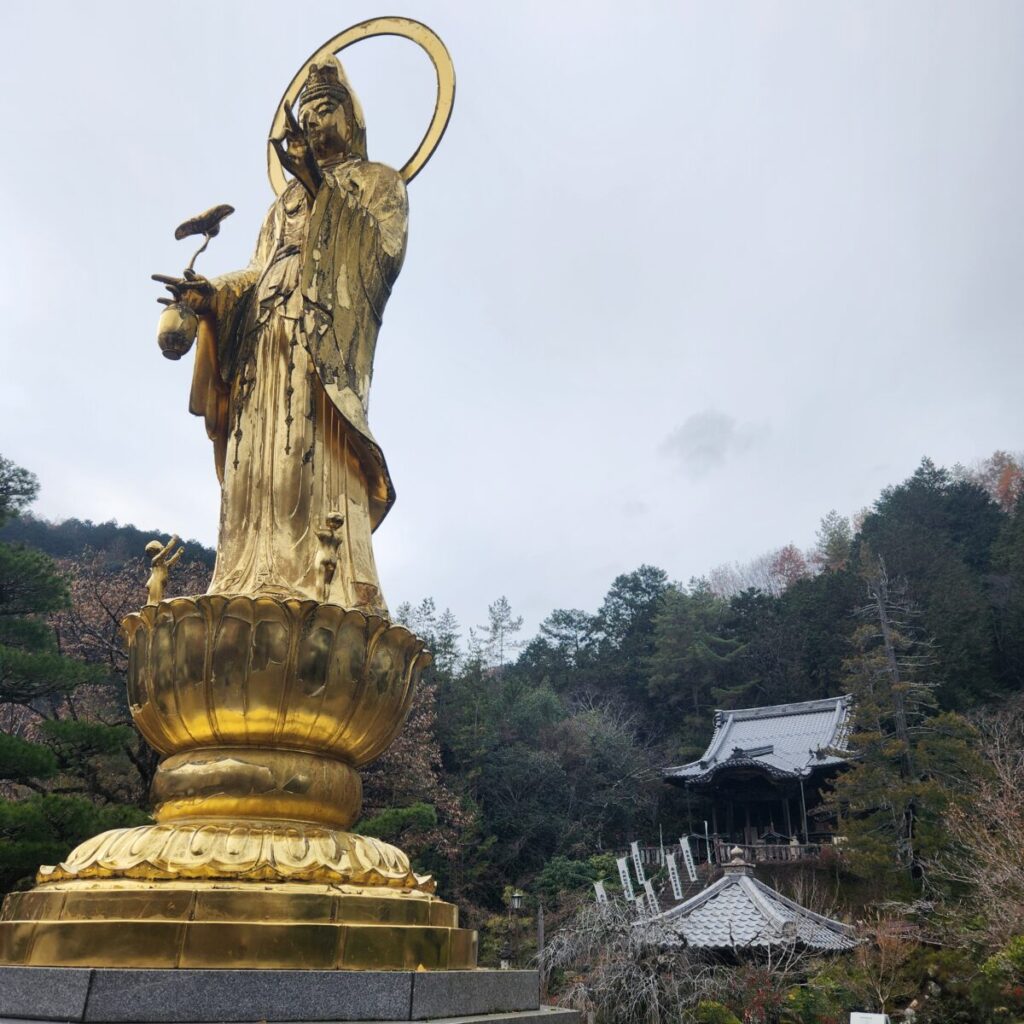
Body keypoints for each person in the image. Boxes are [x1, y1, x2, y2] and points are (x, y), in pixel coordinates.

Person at [155, 58, 407, 616]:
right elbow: (257, 270)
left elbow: (379, 256)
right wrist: (211, 294)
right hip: (263, 342)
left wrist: (318, 184)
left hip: (319, 349)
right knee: (260, 464)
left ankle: (327, 582)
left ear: (351, 119)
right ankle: (251, 575)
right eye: (307, 115)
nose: (315, 124)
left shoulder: (378, 183)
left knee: (305, 457)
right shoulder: (282, 205)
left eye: (325, 111)